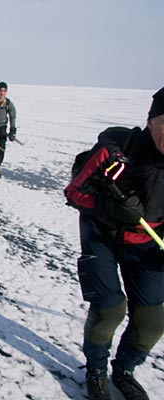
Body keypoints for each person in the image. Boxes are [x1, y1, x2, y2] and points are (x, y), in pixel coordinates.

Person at [64, 87, 164, 400]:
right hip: (102, 235)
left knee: (152, 318)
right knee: (110, 307)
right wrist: (110, 209)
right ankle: (96, 369)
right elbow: (74, 192)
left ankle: (124, 370)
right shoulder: (117, 149)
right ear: (150, 122)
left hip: (149, 243)